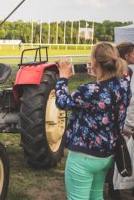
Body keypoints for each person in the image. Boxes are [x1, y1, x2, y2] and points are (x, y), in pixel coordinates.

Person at [55, 42, 131, 200]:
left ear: (95, 63)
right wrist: (100, 75)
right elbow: (120, 76)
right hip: (107, 155)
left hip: (84, 157)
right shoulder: (124, 85)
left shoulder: (89, 91)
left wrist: (63, 77)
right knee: (96, 196)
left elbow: (62, 102)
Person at [106, 41, 134, 199]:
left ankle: (115, 188)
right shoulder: (125, 71)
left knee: (119, 151)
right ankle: (114, 189)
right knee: (117, 152)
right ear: (126, 55)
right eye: (133, 52)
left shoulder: (127, 71)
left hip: (120, 115)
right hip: (120, 116)